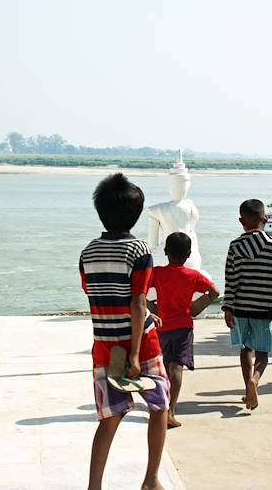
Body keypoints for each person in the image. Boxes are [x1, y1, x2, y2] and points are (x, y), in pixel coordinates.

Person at [79, 173, 170, 490]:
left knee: (110, 418)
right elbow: (137, 301)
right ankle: (151, 479)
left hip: (105, 347)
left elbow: (99, 296)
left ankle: (94, 487)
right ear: (136, 213)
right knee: (159, 406)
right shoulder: (139, 250)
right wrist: (133, 351)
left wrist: (144, 316)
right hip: (139, 348)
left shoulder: (88, 252)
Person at [223, 199, 272, 410]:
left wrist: (228, 307)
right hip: (263, 308)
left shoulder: (235, 246)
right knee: (262, 352)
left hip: (240, 307)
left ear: (241, 221)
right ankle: (255, 379)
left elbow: (231, 279)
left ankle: (248, 386)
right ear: (265, 219)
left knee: (246, 348)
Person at [148, 231, 219, 428]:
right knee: (177, 367)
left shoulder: (158, 273)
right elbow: (215, 292)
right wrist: (196, 307)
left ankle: (159, 407)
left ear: (165, 251)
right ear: (188, 255)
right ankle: (170, 411)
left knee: (164, 367)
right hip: (183, 327)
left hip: (161, 326)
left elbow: (139, 288)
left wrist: (151, 307)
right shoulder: (193, 276)